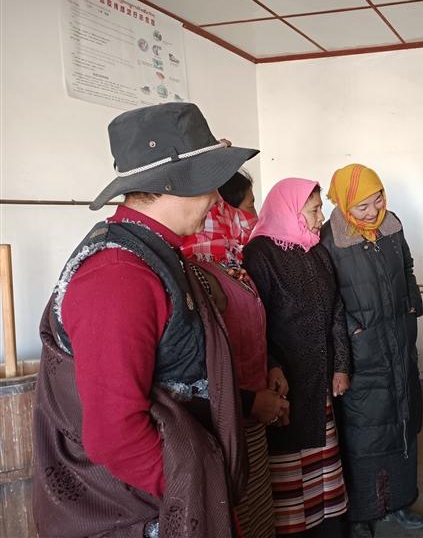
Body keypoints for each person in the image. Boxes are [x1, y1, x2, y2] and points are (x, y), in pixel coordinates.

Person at [33, 102, 258, 537]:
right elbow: (115, 435)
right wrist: (191, 494)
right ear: (174, 182)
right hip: (148, 510)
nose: (216, 198)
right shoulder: (118, 277)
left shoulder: (154, 251)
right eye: (209, 183)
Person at [181, 170, 290, 538]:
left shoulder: (232, 264)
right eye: (246, 207)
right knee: (234, 511)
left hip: (252, 410)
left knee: (257, 509)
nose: (253, 217)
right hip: (223, 419)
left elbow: (252, 324)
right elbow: (195, 366)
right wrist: (248, 402)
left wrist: (271, 365)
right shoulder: (194, 275)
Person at [321, 164, 423, 538]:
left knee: (403, 421)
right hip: (362, 350)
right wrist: (355, 331)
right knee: (364, 432)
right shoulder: (330, 239)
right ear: (343, 203)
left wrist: (411, 305)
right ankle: (362, 512)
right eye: (361, 206)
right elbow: (329, 298)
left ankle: (399, 501)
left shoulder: (391, 225)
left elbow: (407, 266)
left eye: (377, 200)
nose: (372, 211)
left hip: (399, 339)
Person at [243, 178, 350, 537]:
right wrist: (272, 364)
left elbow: (336, 310)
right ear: (289, 210)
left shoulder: (316, 251)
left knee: (322, 460)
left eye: (320, 209)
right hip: (287, 380)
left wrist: (340, 365)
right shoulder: (260, 254)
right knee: (291, 464)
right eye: (314, 210)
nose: (321, 218)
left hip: (319, 375)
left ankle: (327, 527)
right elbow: (255, 322)